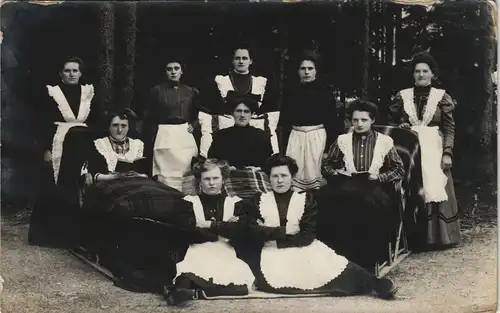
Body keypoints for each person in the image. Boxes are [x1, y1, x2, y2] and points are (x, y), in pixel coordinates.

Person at [236, 154, 398, 299]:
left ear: (292, 177)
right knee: (275, 278)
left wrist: (275, 238)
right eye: (275, 176)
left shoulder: (305, 199)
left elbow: (306, 236)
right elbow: (251, 230)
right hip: (270, 251)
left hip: (301, 247)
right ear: (268, 178)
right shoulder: (258, 200)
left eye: (284, 176)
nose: (279, 181)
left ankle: (377, 285)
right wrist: (285, 231)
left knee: (336, 265)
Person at [317, 99, 405, 272]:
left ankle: (366, 261)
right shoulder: (343, 140)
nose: (359, 124)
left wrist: (379, 177)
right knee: (322, 199)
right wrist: (335, 173)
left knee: (367, 205)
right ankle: (331, 258)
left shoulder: (384, 141)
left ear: (372, 120)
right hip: (347, 184)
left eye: (364, 120)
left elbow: (399, 169)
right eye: (355, 120)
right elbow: (327, 166)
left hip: (373, 186)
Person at [388, 52, 461, 250]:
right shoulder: (402, 96)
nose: (421, 75)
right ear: (413, 74)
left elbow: (449, 128)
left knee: (434, 186)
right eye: (417, 71)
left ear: (432, 74)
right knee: (412, 187)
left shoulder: (441, 97)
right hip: (410, 151)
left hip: (434, 149)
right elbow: (392, 124)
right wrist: (400, 125)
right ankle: (414, 238)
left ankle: (438, 237)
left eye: (425, 71)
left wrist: (447, 152)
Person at [165, 159, 255, 306]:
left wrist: (207, 225)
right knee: (186, 277)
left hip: (225, 252)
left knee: (242, 286)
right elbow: (187, 231)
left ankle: (197, 293)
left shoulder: (235, 203)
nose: (212, 183)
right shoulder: (189, 202)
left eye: (215, 178)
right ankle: (191, 289)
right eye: (207, 179)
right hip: (198, 251)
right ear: (200, 181)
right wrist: (223, 229)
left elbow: (240, 230)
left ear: (223, 179)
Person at [28, 57, 97, 247]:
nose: (72, 74)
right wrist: (46, 149)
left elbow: (95, 120)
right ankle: (49, 236)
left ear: (81, 73)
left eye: (75, 71)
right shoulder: (52, 93)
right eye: (67, 71)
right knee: (55, 186)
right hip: (59, 142)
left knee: (77, 185)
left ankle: (74, 237)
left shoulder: (88, 92)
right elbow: (42, 123)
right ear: (61, 74)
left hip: (82, 144)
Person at [199, 43, 280, 157]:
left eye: (244, 58)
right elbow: (208, 113)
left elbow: (270, 115)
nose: (241, 61)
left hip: (254, 134)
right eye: (237, 58)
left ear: (250, 61)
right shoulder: (221, 82)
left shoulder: (261, 83)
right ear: (232, 61)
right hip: (227, 133)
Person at [279, 50, 342, 190]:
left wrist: (328, 150)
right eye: (303, 68)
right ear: (297, 71)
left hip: (317, 138)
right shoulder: (290, 91)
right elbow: (284, 122)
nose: (306, 72)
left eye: (310, 68)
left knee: (316, 179)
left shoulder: (325, 92)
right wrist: (282, 149)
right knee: (294, 179)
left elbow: (332, 123)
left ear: (316, 71)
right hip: (296, 138)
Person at [143, 57, 200, 192]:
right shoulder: (156, 91)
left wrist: (194, 124)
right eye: (169, 69)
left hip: (184, 133)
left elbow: (197, 113)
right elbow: (149, 115)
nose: (173, 72)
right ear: (165, 72)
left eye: (176, 68)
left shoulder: (191, 91)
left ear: (182, 71)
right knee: (165, 171)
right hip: (165, 133)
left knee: (186, 170)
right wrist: (154, 132)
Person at [207, 94, 273, 170]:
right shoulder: (221, 136)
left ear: (252, 114)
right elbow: (211, 161)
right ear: (232, 113)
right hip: (227, 176)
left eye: (246, 111)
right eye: (238, 111)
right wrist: (224, 167)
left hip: (255, 176)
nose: (242, 115)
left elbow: (268, 164)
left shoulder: (262, 136)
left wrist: (259, 168)